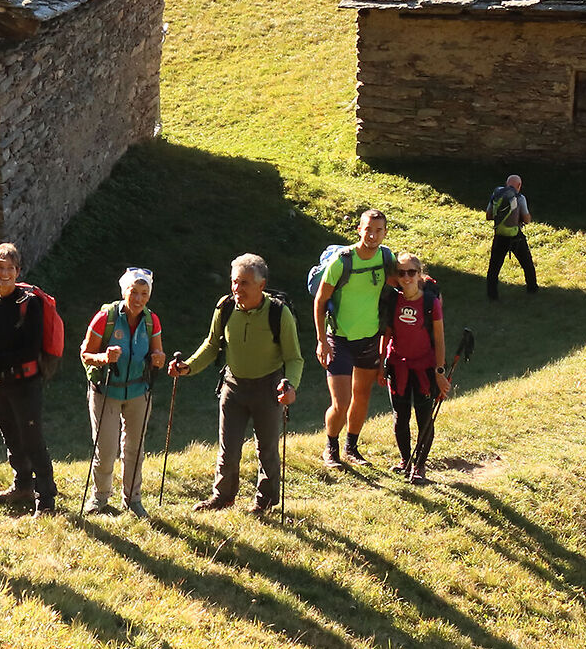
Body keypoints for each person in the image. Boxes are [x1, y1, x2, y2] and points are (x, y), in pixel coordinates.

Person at [170, 253, 300, 513]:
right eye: (234, 282)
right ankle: (223, 497)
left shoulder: (279, 313)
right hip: (233, 387)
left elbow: (294, 358)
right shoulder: (225, 308)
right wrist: (188, 367)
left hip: (268, 388)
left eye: (244, 283)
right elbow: (212, 345)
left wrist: (291, 386)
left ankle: (265, 501)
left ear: (261, 285)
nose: (237, 288)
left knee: (267, 450)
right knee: (228, 449)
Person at [0, 242, 59, 515]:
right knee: (11, 438)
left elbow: (30, 348)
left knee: (32, 440)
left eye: (9, 268)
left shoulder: (30, 304)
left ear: (18, 271)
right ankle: (22, 486)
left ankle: (46, 498)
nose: (4, 273)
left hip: (24, 384)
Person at [80, 268, 165, 516]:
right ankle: (99, 498)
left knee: (135, 449)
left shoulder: (151, 320)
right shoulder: (105, 318)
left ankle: (133, 499)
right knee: (106, 450)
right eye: (133, 291)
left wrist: (159, 358)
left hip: (139, 391)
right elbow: (85, 354)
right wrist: (104, 358)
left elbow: (157, 353)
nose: (138, 298)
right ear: (124, 291)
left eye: (144, 293)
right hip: (106, 391)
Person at [312, 208, 393, 468]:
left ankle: (351, 448)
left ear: (385, 232)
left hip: (369, 338)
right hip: (339, 339)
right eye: (368, 229)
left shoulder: (386, 258)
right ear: (359, 230)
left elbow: (401, 283)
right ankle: (330, 447)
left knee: (362, 397)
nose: (373, 235)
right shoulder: (342, 261)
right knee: (341, 402)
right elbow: (320, 300)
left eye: (378, 230)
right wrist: (321, 340)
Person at [380, 252, 448, 484]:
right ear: (397, 276)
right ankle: (405, 460)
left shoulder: (430, 303)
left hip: (424, 369)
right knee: (400, 417)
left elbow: (439, 339)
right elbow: (387, 334)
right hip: (397, 366)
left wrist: (440, 372)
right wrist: (381, 365)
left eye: (411, 272)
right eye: (402, 273)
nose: (407, 277)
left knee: (424, 418)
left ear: (419, 275)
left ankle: (419, 466)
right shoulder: (393, 300)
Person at [486, 173, 538, 301]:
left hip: (499, 235)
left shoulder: (497, 195)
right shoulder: (520, 198)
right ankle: (532, 289)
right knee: (527, 262)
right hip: (515, 236)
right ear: (519, 185)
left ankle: (492, 295)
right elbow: (526, 219)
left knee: (494, 266)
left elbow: (488, 215)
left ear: (506, 183)